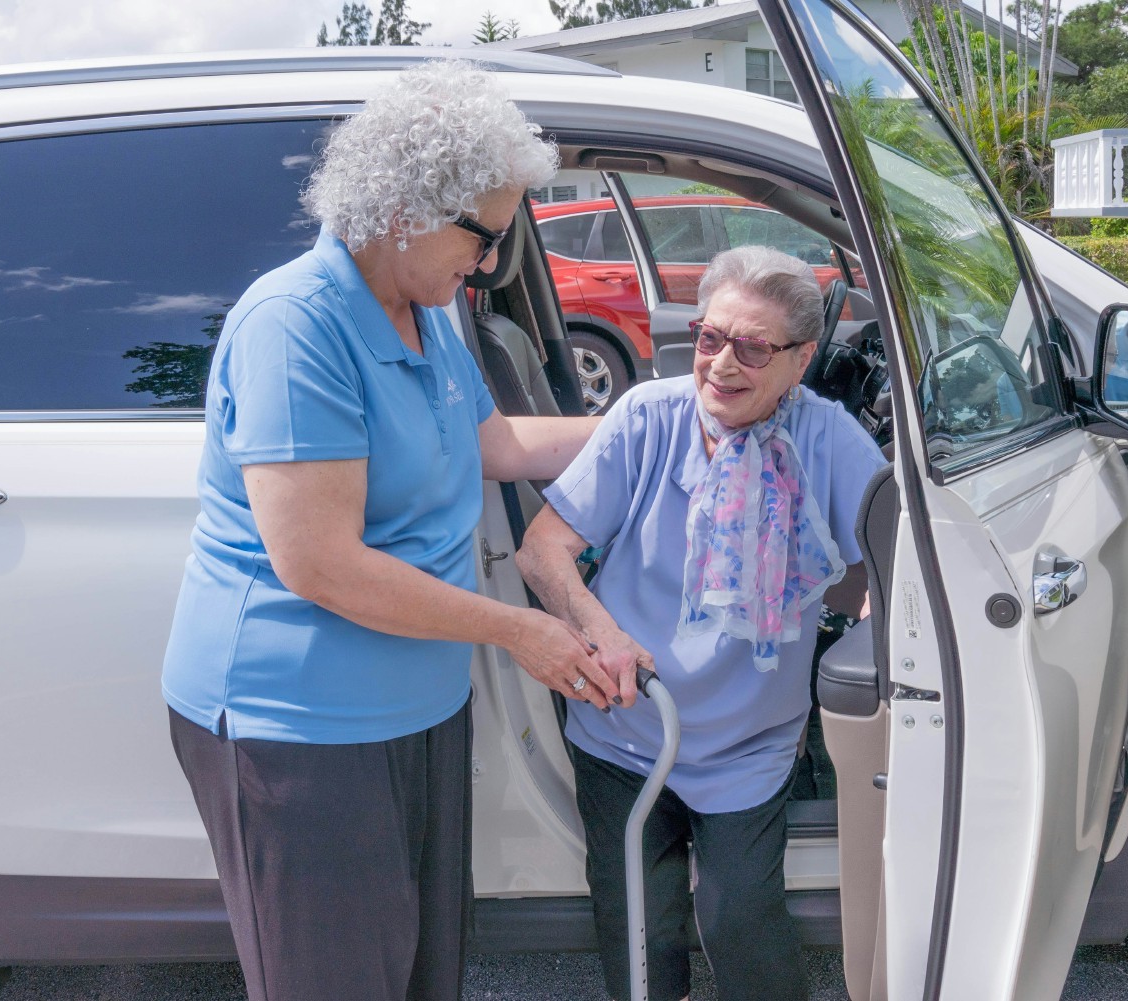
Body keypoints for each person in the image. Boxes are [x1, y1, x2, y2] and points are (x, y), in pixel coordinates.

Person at [160, 61, 617, 1001]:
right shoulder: (297, 324)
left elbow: (490, 442)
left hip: (418, 706)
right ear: (406, 206)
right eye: (484, 235)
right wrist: (521, 628)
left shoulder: (425, 307)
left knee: (418, 972)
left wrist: (651, 421)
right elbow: (321, 563)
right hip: (304, 729)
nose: (493, 262)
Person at [516, 245, 885, 1001]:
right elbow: (542, 548)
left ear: (802, 358)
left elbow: (894, 567)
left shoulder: (827, 438)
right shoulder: (648, 417)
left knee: (743, 925)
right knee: (640, 940)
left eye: (753, 347)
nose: (720, 364)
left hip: (749, 742)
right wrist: (599, 629)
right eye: (710, 338)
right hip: (626, 724)